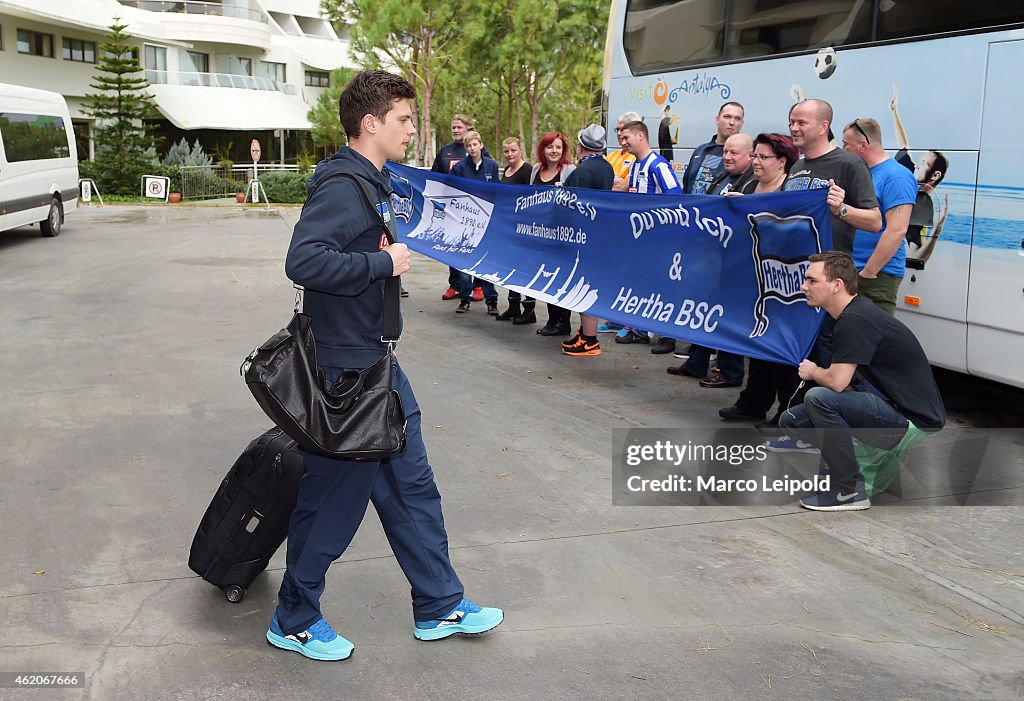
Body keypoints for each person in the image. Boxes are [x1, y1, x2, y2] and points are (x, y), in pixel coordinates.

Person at [270, 70, 502, 661]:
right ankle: (294, 618)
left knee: (411, 489)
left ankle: (440, 604)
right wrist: (383, 265)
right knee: (332, 504)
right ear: (370, 124)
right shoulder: (344, 187)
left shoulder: (373, 182)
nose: (412, 128)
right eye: (403, 118)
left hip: (378, 369)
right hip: (347, 378)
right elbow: (304, 261)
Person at [778, 251, 945, 511]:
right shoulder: (850, 315)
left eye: (811, 280)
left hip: (913, 418)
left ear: (837, 285)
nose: (804, 286)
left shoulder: (855, 320)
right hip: (890, 405)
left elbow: (836, 382)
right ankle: (844, 463)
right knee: (792, 420)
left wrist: (812, 372)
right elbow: (847, 384)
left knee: (818, 398)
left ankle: (848, 490)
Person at [717, 133, 803, 424]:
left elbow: (791, 233)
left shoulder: (789, 192)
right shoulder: (751, 186)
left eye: (763, 157)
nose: (756, 162)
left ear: (782, 162)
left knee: (780, 346)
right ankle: (753, 401)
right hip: (751, 277)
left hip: (781, 281)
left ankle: (786, 409)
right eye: (754, 156)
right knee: (756, 341)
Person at [667, 133, 753, 385]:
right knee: (705, 312)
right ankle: (697, 362)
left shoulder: (752, 183)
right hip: (711, 257)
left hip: (735, 260)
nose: (726, 157)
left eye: (734, 153)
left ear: (750, 155)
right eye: (725, 151)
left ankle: (730, 371)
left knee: (728, 315)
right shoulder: (723, 176)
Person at [614, 119, 682, 346]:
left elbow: (675, 199)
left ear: (641, 136)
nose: (623, 143)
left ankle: (668, 334)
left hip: (659, 240)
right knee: (642, 283)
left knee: (664, 286)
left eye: (627, 138)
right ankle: (640, 328)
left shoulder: (658, 165)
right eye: (621, 138)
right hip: (639, 240)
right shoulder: (634, 165)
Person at [840, 117, 918, 314]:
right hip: (851, 270)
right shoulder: (861, 173)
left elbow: (897, 230)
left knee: (873, 338)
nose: (842, 149)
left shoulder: (896, 176)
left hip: (878, 275)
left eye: (846, 144)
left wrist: (869, 272)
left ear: (863, 145)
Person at [560, 124, 615, 357]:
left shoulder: (583, 172)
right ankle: (585, 332)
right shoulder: (606, 167)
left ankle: (590, 339)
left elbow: (576, 205)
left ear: (580, 145)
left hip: (584, 237)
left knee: (584, 286)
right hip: (600, 235)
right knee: (588, 284)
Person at [433, 114, 490, 302]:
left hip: (475, 211)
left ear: (468, 129)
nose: (455, 130)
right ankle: (455, 285)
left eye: (459, 127)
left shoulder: (480, 149)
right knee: (453, 247)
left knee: (476, 247)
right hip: (453, 210)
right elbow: (435, 177)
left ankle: (478, 285)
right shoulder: (445, 151)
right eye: (453, 127)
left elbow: (488, 173)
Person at [531, 131, 577, 337]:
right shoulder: (535, 170)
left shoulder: (569, 170)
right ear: (543, 149)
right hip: (541, 234)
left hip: (562, 235)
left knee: (561, 279)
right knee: (546, 277)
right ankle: (552, 319)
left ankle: (563, 321)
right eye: (550, 147)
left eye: (558, 147)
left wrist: (565, 190)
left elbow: (577, 200)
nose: (554, 151)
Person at [451, 130, 500, 314]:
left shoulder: (492, 166)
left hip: (486, 224)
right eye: (468, 145)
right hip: (464, 224)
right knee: (463, 264)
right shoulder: (459, 168)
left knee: (485, 262)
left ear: (481, 144)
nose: (472, 148)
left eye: (474, 144)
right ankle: (465, 298)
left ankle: (491, 301)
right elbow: (454, 193)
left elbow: (496, 192)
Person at [495, 136, 537, 324]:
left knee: (524, 268)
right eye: (506, 151)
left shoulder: (527, 171)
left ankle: (529, 309)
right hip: (508, 227)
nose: (510, 154)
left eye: (513, 150)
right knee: (510, 268)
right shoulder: (507, 171)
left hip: (524, 228)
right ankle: (513, 305)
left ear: (521, 150)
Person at [680, 101, 745, 196]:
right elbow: (686, 187)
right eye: (727, 117)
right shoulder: (700, 151)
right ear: (717, 120)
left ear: (742, 123)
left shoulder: (744, 156)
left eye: (737, 119)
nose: (732, 122)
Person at [607, 110, 641, 193]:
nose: (619, 133)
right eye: (617, 129)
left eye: (622, 130)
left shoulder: (639, 157)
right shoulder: (611, 156)